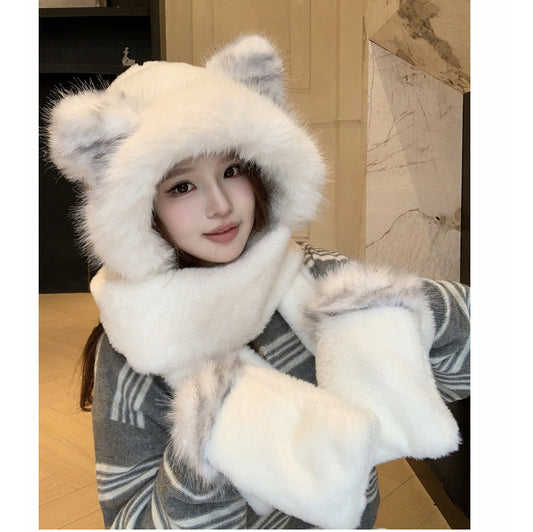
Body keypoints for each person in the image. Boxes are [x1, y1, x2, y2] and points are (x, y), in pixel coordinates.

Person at [47, 35, 470, 529]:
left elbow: (470, 364)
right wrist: (211, 430)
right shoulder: (131, 350)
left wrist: (404, 309)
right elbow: (131, 520)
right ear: (139, 207)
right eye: (182, 186)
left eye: (231, 170)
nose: (221, 205)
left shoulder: (314, 278)